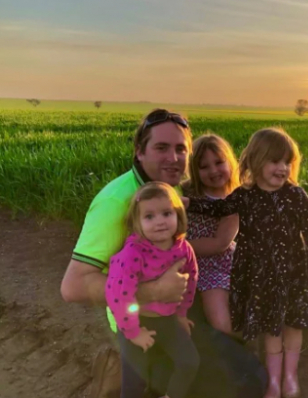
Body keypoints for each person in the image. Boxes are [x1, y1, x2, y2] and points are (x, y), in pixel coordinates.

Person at [60, 109, 266, 398]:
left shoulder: (169, 191)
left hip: (177, 306)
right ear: (139, 152)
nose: (173, 157)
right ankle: (124, 372)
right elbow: (73, 287)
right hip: (141, 319)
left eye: (181, 148)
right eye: (161, 148)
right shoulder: (116, 201)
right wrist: (155, 290)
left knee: (241, 367)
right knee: (246, 381)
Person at [185, 127, 308, 398]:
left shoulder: (296, 196)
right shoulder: (244, 196)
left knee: (293, 325)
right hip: (260, 275)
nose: (283, 168)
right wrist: (187, 203)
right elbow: (218, 208)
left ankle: (290, 377)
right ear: (255, 161)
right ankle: (273, 382)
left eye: (287, 162)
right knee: (271, 328)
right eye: (275, 161)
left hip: (295, 273)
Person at [107, 181, 199, 398]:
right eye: (149, 217)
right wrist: (133, 333)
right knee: (135, 380)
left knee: (189, 362)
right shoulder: (132, 254)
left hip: (167, 318)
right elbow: (118, 295)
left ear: (178, 215)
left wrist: (181, 314)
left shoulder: (184, 249)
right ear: (137, 222)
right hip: (135, 320)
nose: (160, 222)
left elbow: (190, 281)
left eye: (166, 213)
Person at [182, 134, 240, 336]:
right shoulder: (187, 192)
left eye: (219, 162)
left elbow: (220, 243)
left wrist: (177, 248)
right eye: (204, 166)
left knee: (220, 322)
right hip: (183, 261)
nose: (213, 171)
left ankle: (243, 345)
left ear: (230, 163)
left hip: (215, 264)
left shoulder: (235, 199)